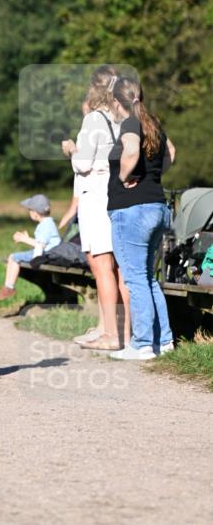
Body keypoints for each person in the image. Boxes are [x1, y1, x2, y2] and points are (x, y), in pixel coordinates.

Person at [106, 77, 176, 359]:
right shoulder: (153, 123)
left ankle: (143, 344)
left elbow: (132, 150)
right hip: (157, 206)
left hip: (132, 210)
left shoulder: (129, 123)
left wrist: (124, 178)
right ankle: (165, 341)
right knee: (147, 278)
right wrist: (154, 176)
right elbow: (171, 152)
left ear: (115, 102)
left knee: (135, 279)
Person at [61, 67, 131, 350]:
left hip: (95, 195)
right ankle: (118, 329)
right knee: (119, 266)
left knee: (101, 264)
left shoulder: (93, 119)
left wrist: (70, 151)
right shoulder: (122, 119)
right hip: (116, 193)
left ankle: (111, 335)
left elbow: (83, 164)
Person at [0, 194, 61, 300]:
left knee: (14, 257)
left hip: (46, 255)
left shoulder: (44, 225)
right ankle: (8, 287)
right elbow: (42, 242)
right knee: (13, 257)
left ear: (35, 213)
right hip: (49, 253)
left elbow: (41, 246)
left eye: (29, 210)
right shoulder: (49, 223)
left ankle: (9, 288)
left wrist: (24, 239)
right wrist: (28, 239)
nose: (29, 213)